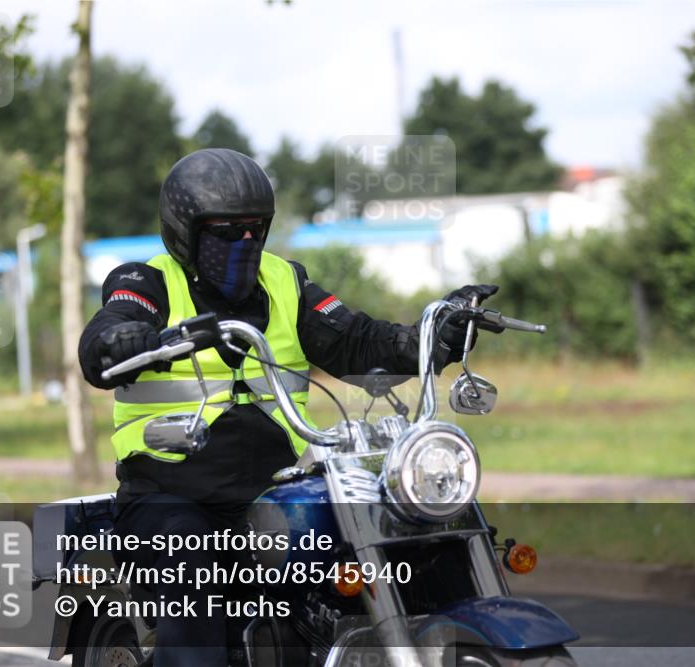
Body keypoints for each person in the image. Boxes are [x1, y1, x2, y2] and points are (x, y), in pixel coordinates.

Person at [78, 148, 497, 666]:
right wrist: (122, 338)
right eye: (227, 231)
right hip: (170, 494)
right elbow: (107, 333)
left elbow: (359, 344)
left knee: (410, 535)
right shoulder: (147, 281)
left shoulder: (286, 283)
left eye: (256, 228)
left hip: (278, 487)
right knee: (194, 568)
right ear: (186, 231)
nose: (245, 241)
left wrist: (437, 335)